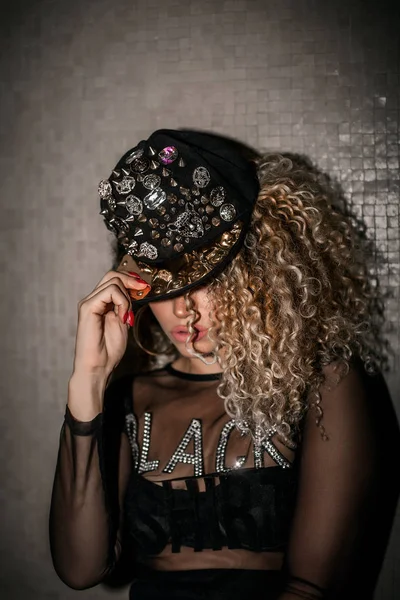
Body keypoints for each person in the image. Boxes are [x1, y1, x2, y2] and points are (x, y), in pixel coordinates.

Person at [49, 129, 385, 599]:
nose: (184, 309)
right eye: (166, 282)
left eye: (206, 278)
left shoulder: (324, 383)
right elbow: (80, 570)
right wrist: (87, 383)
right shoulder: (129, 398)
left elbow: (314, 589)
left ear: (256, 268)